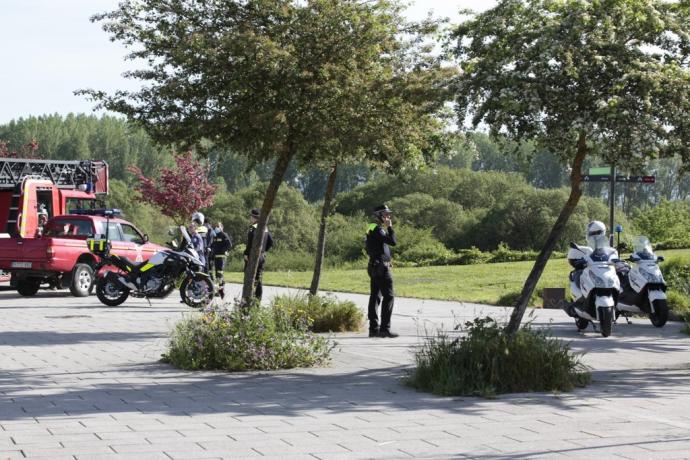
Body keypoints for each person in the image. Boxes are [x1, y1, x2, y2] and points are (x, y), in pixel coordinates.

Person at [366, 204, 398, 338]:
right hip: (381, 267)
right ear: (379, 215)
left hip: (374, 266)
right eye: (385, 214)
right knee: (388, 296)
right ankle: (384, 329)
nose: (388, 216)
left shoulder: (372, 228)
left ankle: (373, 329)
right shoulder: (378, 229)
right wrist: (390, 227)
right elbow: (393, 242)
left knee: (375, 296)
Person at [243, 208, 273, 302]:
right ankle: (258, 300)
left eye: (251, 216)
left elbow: (250, 243)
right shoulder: (265, 227)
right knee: (259, 279)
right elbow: (271, 242)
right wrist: (263, 251)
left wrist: (246, 253)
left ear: (254, 217)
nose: (250, 218)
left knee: (249, 277)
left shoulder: (253, 228)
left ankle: (248, 300)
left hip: (253, 256)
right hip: (262, 256)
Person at [210, 221, 232, 299]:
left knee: (219, 274)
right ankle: (219, 290)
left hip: (221, 257)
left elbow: (229, 245)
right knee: (217, 274)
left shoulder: (223, 235)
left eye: (218, 226)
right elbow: (213, 246)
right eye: (216, 226)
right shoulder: (215, 236)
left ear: (222, 227)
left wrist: (223, 250)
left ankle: (221, 291)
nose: (216, 228)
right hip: (216, 257)